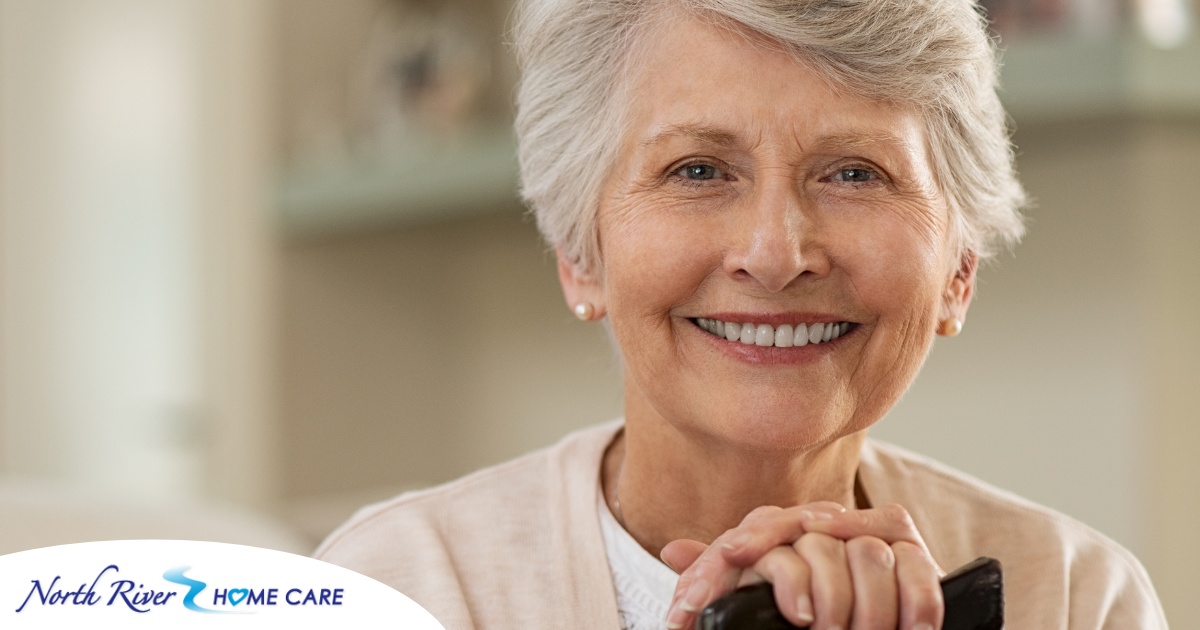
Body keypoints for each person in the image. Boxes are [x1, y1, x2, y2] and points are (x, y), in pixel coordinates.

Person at [316, 0, 1167, 628]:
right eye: (696, 170)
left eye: (855, 173)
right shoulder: (399, 589)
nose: (776, 252)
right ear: (580, 254)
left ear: (959, 269)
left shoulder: (1076, 597)